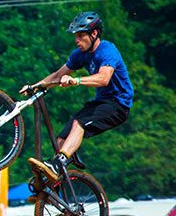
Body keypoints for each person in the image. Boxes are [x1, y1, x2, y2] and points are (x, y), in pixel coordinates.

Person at [22, 12, 134, 180]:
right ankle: (51, 182)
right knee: (61, 138)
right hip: (100, 103)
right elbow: (57, 76)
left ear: (94, 34)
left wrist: (76, 81)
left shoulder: (107, 50)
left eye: (81, 36)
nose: (77, 40)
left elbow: (104, 79)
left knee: (79, 124)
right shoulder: (79, 55)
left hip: (118, 105)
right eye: (76, 36)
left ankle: (60, 162)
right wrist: (35, 86)